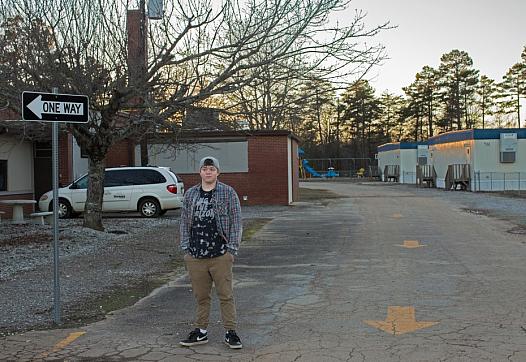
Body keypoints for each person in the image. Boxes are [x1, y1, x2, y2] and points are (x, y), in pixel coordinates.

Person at [179, 156, 243, 349]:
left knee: (226, 295)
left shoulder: (228, 192)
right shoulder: (191, 194)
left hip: (220, 255)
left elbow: (237, 221)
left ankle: (230, 332)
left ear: (218, 172)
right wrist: (185, 249)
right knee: (201, 297)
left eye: (212, 169)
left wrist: (231, 249)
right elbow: (183, 222)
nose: (208, 172)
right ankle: (201, 332)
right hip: (196, 256)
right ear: (200, 172)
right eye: (205, 169)